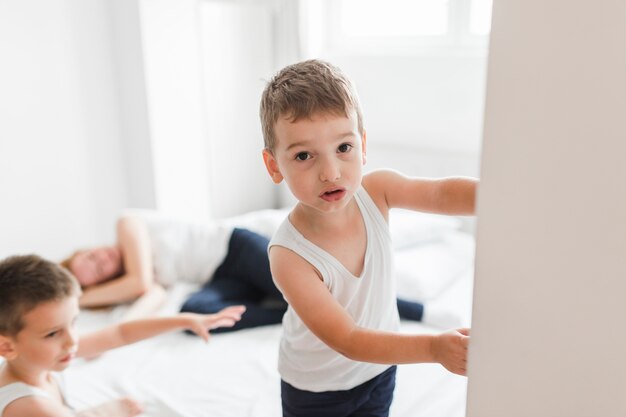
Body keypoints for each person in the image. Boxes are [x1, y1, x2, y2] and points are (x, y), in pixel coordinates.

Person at [259, 59, 478, 416]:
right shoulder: (289, 255)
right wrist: (435, 349)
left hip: (379, 370)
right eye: (303, 156)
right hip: (316, 390)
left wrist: (500, 199)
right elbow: (348, 339)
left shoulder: (377, 191)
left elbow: (439, 194)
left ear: (362, 145)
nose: (330, 173)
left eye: (343, 148)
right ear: (274, 166)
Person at [61, 211, 444, 333]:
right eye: (95, 270)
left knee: (326, 292)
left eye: (91, 255)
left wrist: (78, 294)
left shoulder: (127, 224)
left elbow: (141, 284)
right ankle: (293, 311)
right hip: (219, 275)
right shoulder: (138, 275)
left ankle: (417, 311)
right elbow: (149, 300)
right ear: (105, 283)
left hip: (237, 248)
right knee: (197, 317)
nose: (101, 259)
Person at [0, 254, 245, 417]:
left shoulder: (37, 358)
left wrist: (185, 320)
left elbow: (119, 332)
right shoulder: (29, 405)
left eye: (74, 322)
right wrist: (108, 410)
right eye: (53, 333)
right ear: (7, 347)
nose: (72, 340)